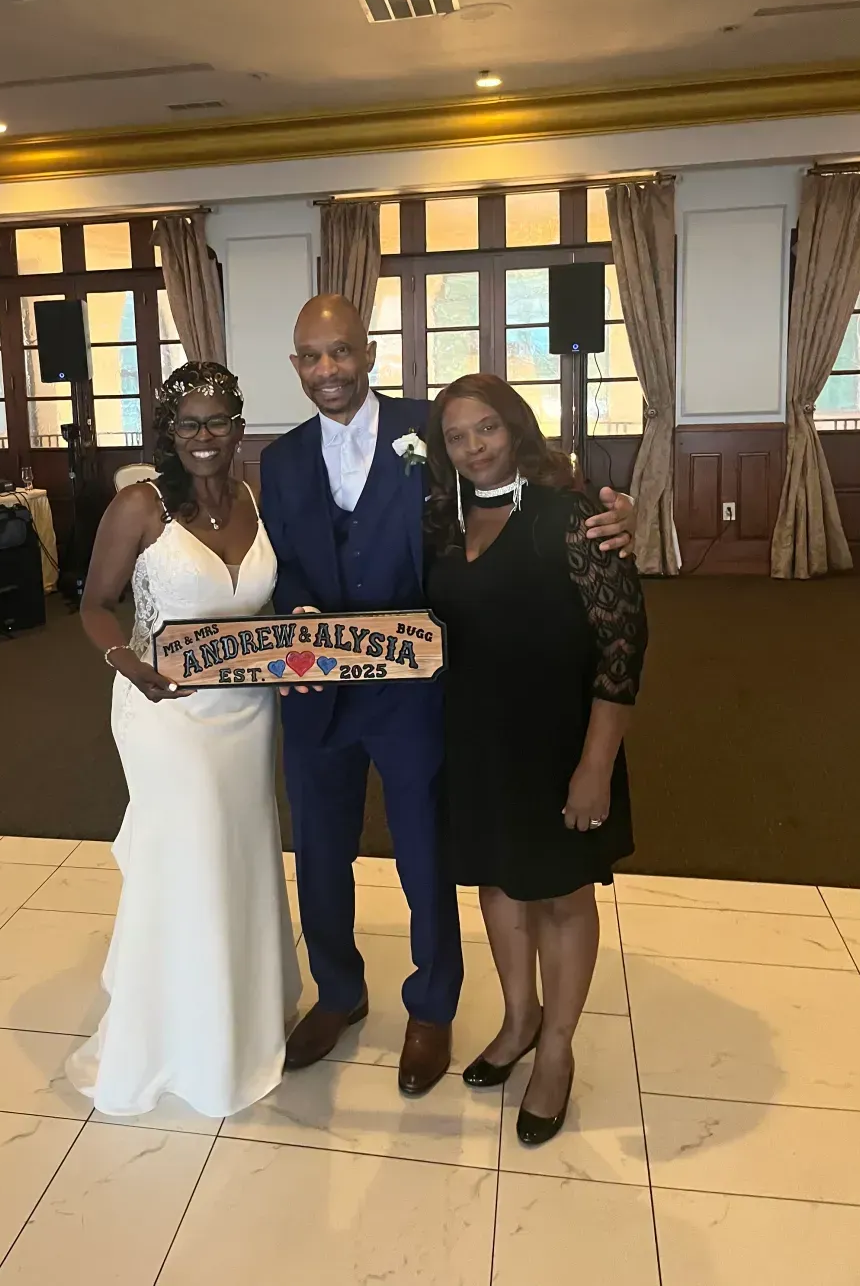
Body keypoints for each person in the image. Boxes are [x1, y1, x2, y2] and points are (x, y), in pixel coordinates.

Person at [260, 295, 637, 1097]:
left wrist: (617, 515)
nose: (327, 369)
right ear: (295, 365)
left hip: (420, 692)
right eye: (310, 356)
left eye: (340, 351)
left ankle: (431, 1008)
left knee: (426, 855)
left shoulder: (428, 431)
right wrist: (293, 611)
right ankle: (337, 992)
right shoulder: (280, 459)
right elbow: (280, 562)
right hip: (316, 693)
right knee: (318, 854)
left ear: (367, 353)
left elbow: (523, 484)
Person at [68, 361, 300, 1119]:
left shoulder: (253, 496)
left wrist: (294, 644)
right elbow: (95, 605)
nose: (204, 437)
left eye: (218, 421)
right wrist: (127, 662)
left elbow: (265, 608)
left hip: (247, 712)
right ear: (168, 433)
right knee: (188, 860)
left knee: (238, 852)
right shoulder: (141, 505)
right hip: (164, 710)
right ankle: (180, 1037)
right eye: (188, 424)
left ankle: (244, 1015)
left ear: (239, 427)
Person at [423, 373, 647, 1145]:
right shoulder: (442, 522)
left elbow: (622, 647)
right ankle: (519, 1020)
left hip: (558, 742)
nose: (473, 447)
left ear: (515, 427)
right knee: (496, 880)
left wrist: (595, 766)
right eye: (456, 436)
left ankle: (556, 1048)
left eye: (486, 428)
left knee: (561, 893)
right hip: (475, 739)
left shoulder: (572, 516)